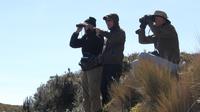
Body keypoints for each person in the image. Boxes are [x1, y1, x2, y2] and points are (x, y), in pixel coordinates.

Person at [69, 17, 104, 112]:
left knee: (94, 94)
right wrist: (77, 31)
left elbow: (96, 43)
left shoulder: (98, 35)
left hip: (95, 68)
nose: (85, 28)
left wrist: (90, 30)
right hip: (86, 68)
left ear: (92, 25)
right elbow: (72, 44)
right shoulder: (86, 36)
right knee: (86, 96)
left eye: (86, 25)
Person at [134, 10, 180, 77]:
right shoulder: (158, 33)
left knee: (142, 55)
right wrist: (142, 28)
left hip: (172, 64)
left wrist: (149, 22)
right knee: (134, 64)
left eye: (157, 18)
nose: (155, 20)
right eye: (154, 19)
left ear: (164, 20)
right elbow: (142, 41)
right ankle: (135, 85)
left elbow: (157, 33)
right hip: (162, 62)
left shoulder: (170, 28)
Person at [96, 13, 126, 105]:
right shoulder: (109, 35)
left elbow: (113, 38)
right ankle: (106, 108)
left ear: (115, 21)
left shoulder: (120, 32)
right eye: (106, 21)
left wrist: (101, 32)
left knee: (113, 90)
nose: (107, 22)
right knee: (103, 89)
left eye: (109, 20)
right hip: (106, 66)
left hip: (114, 66)